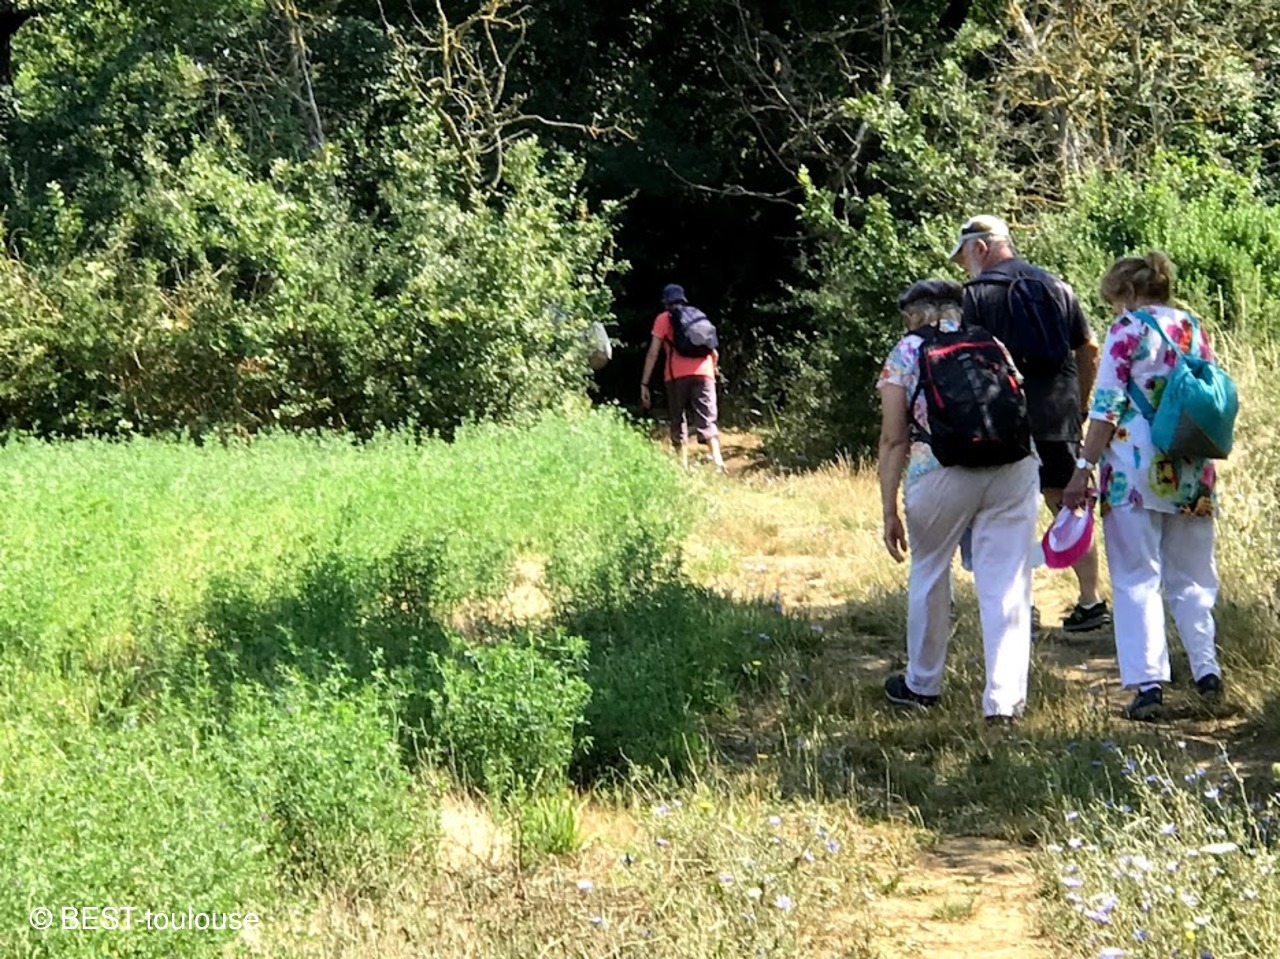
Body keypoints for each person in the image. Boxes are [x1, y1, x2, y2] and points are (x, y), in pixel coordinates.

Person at [1063, 252, 1224, 721]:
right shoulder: (1193, 327)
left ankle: (1149, 685)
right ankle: (1207, 671)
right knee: (1193, 576)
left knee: (1137, 577)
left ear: (1130, 293)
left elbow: (1107, 407)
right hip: (1191, 469)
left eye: (1115, 300)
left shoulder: (1127, 329)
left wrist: (1082, 467)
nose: (1115, 309)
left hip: (1132, 473)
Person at [877, 279, 1040, 723]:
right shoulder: (991, 343)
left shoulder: (906, 351)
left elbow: (894, 438)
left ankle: (922, 685)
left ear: (912, 313)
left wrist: (889, 509)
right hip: (1013, 467)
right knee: (1007, 581)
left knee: (930, 571)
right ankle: (1004, 704)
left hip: (939, 471)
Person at [951, 215, 1109, 634]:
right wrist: (1079, 405)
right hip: (1058, 413)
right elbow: (1089, 348)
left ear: (981, 247)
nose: (964, 266)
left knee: (1006, 512)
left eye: (964, 256)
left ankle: (1025, 609)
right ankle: (1091, 600)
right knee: (1068, 504)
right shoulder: (1057, 286)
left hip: (1002, 420)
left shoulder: (974, 295)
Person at [640, 284, 725, 471]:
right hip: (704, 372)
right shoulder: (697, 316)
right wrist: (713, 369)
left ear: (665, 302)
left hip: (676, 375)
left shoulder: (663, 319)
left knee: (678, 418)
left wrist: (644, 383)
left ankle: (683, 464)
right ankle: (718, 460)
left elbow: (653, 353)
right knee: (707, 417)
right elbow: (714, 352)